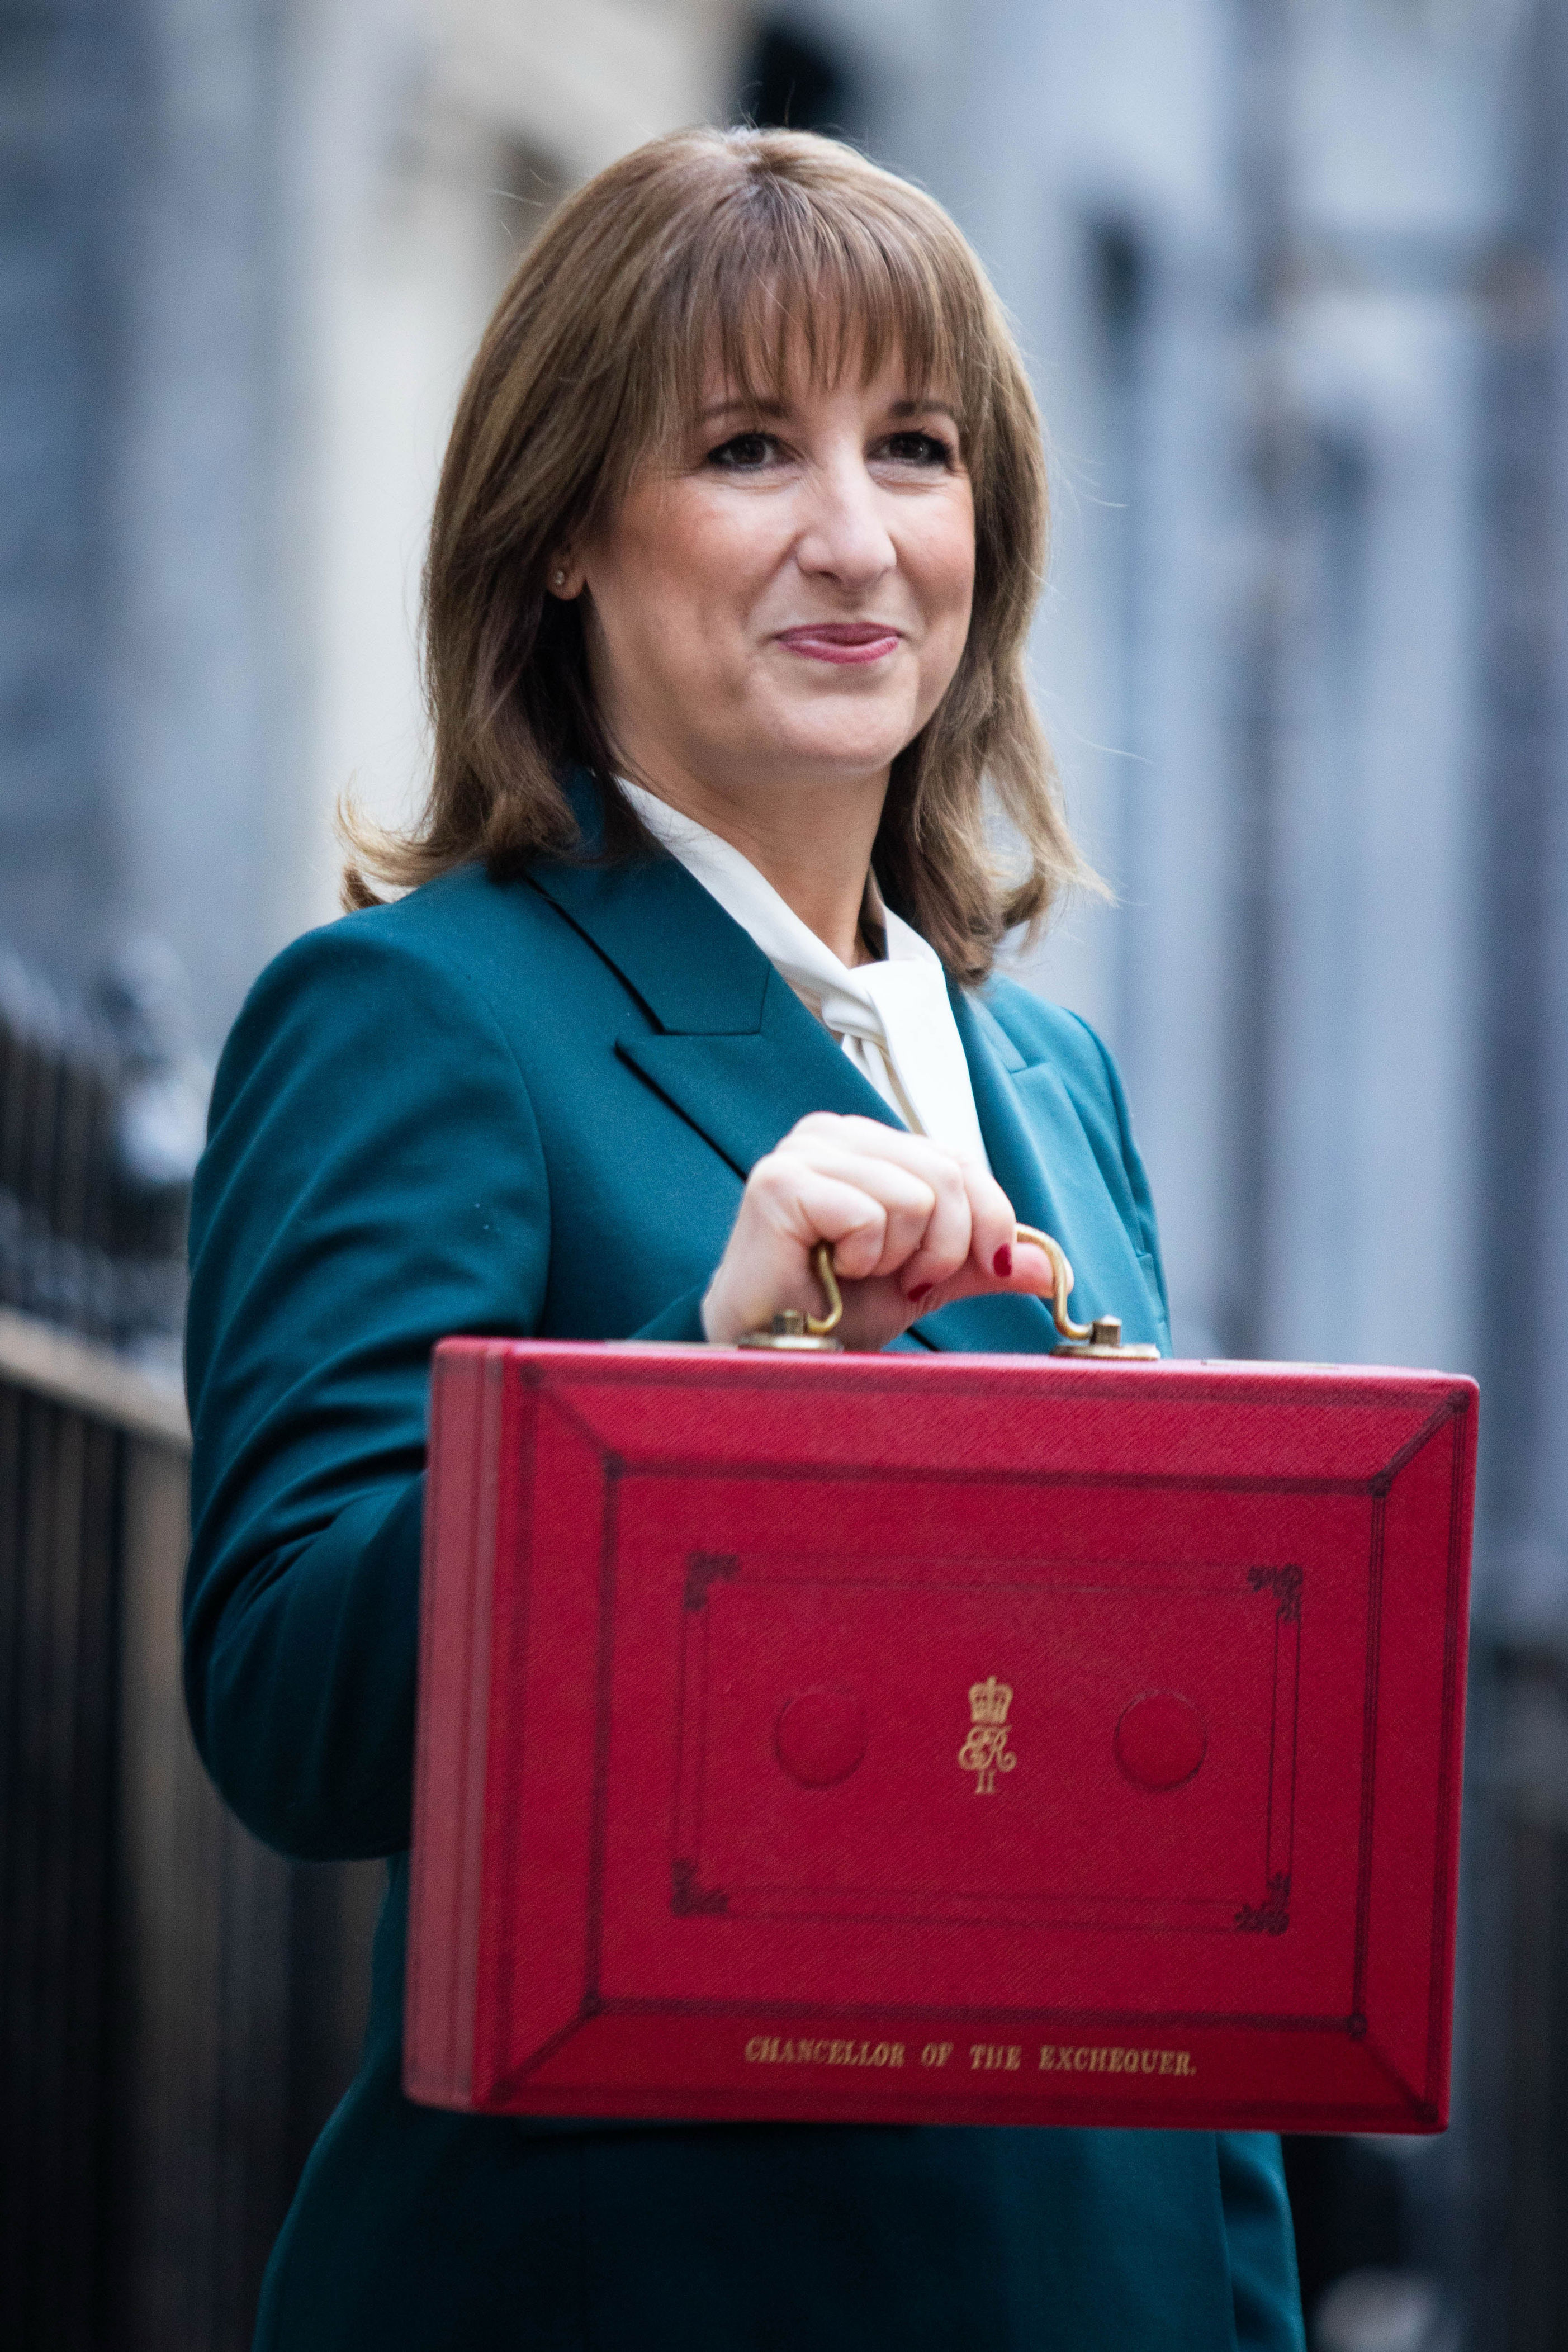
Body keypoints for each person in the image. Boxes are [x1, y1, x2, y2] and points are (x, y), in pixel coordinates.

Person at [184, 126, 1305, 2351]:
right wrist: (702, 1368)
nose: (855, 535)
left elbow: (1180, 1857)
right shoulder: (424, 1015)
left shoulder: (1053, 1078)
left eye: (916, 447)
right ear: (567, 534)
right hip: (632, 2286)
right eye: (744, 448)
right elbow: (286, 1705)